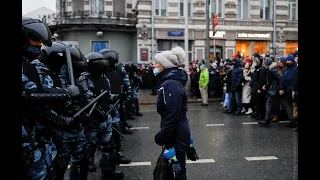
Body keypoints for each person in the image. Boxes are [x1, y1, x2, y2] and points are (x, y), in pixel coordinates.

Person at [153, 46, 198, 180]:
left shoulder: (171, 84)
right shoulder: (168, 82)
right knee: (172, 172)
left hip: (175, 133)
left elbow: (173, 115)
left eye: (156, 63)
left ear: (164, 65)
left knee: (177, 173)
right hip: (176, 131)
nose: (153, 65)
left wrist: (163, 135)